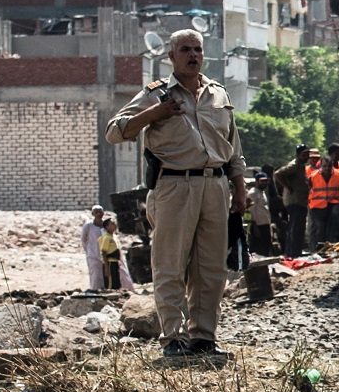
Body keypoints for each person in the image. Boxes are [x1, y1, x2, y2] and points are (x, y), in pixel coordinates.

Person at [106, 29, 249, 359]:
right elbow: (115, 131)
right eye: (185, 50)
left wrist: (239, 188)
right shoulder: (156, 93)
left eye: (197, 49)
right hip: (174, 185)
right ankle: (173, 336)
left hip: (215, 186)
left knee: (210, 267)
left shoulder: (218, 94)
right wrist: (155, 113)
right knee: (170, 264)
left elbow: (233, 149)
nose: (193, 55)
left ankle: (203, 336)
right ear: (171, 56)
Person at [274, 145, 311, 257]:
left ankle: (295, 251)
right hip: (295, 201)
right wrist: (288, 187)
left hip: (300, 201)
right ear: (298, 155)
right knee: (296, 227)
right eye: (304, 154)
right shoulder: (294, 165)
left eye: (307, 154)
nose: (307, 157)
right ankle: (293, 253)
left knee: (298, 227)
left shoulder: (301, 165)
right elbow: (278, 174)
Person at [306, 150, 339, 247]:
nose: (327, 168)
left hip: (334, 203)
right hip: (317, 206)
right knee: (319, 227)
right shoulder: (312, 177)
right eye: (324, 166)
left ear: (332, 165)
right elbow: (307, 190)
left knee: (334, 225)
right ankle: (319, 246)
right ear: (321, 166)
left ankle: (331, 245)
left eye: (329, 166)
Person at [80, 205, 109, 291]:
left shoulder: (106, 225)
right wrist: (89, 251)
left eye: (100, 211)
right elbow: (83, 239)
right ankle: (95, 292)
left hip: (105, 255)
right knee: (95, 275)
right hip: (92, 254)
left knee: (106, 275)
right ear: (93, 213)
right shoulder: (89, 225)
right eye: (96, 212)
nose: (99, 214)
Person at [249, 172, 276, 256]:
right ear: (257, 182)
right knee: (258, 248)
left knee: (266, 247)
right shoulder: (252, 193)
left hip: (265, 224)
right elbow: (250, 211)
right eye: (262, 181)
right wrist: (254, 226)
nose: (264, 183)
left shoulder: (262, 192)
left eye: (266, 181)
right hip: (258, 225)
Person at [100, 218, 125, 291]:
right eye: (112, 224)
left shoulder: (114, 236)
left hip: (115, 261)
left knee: (116, 280)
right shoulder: (106, 238)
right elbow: (104, 252)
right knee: (111, 282)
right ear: (107, 227)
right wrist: (106, 267)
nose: (115, 225)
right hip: (110, 262)